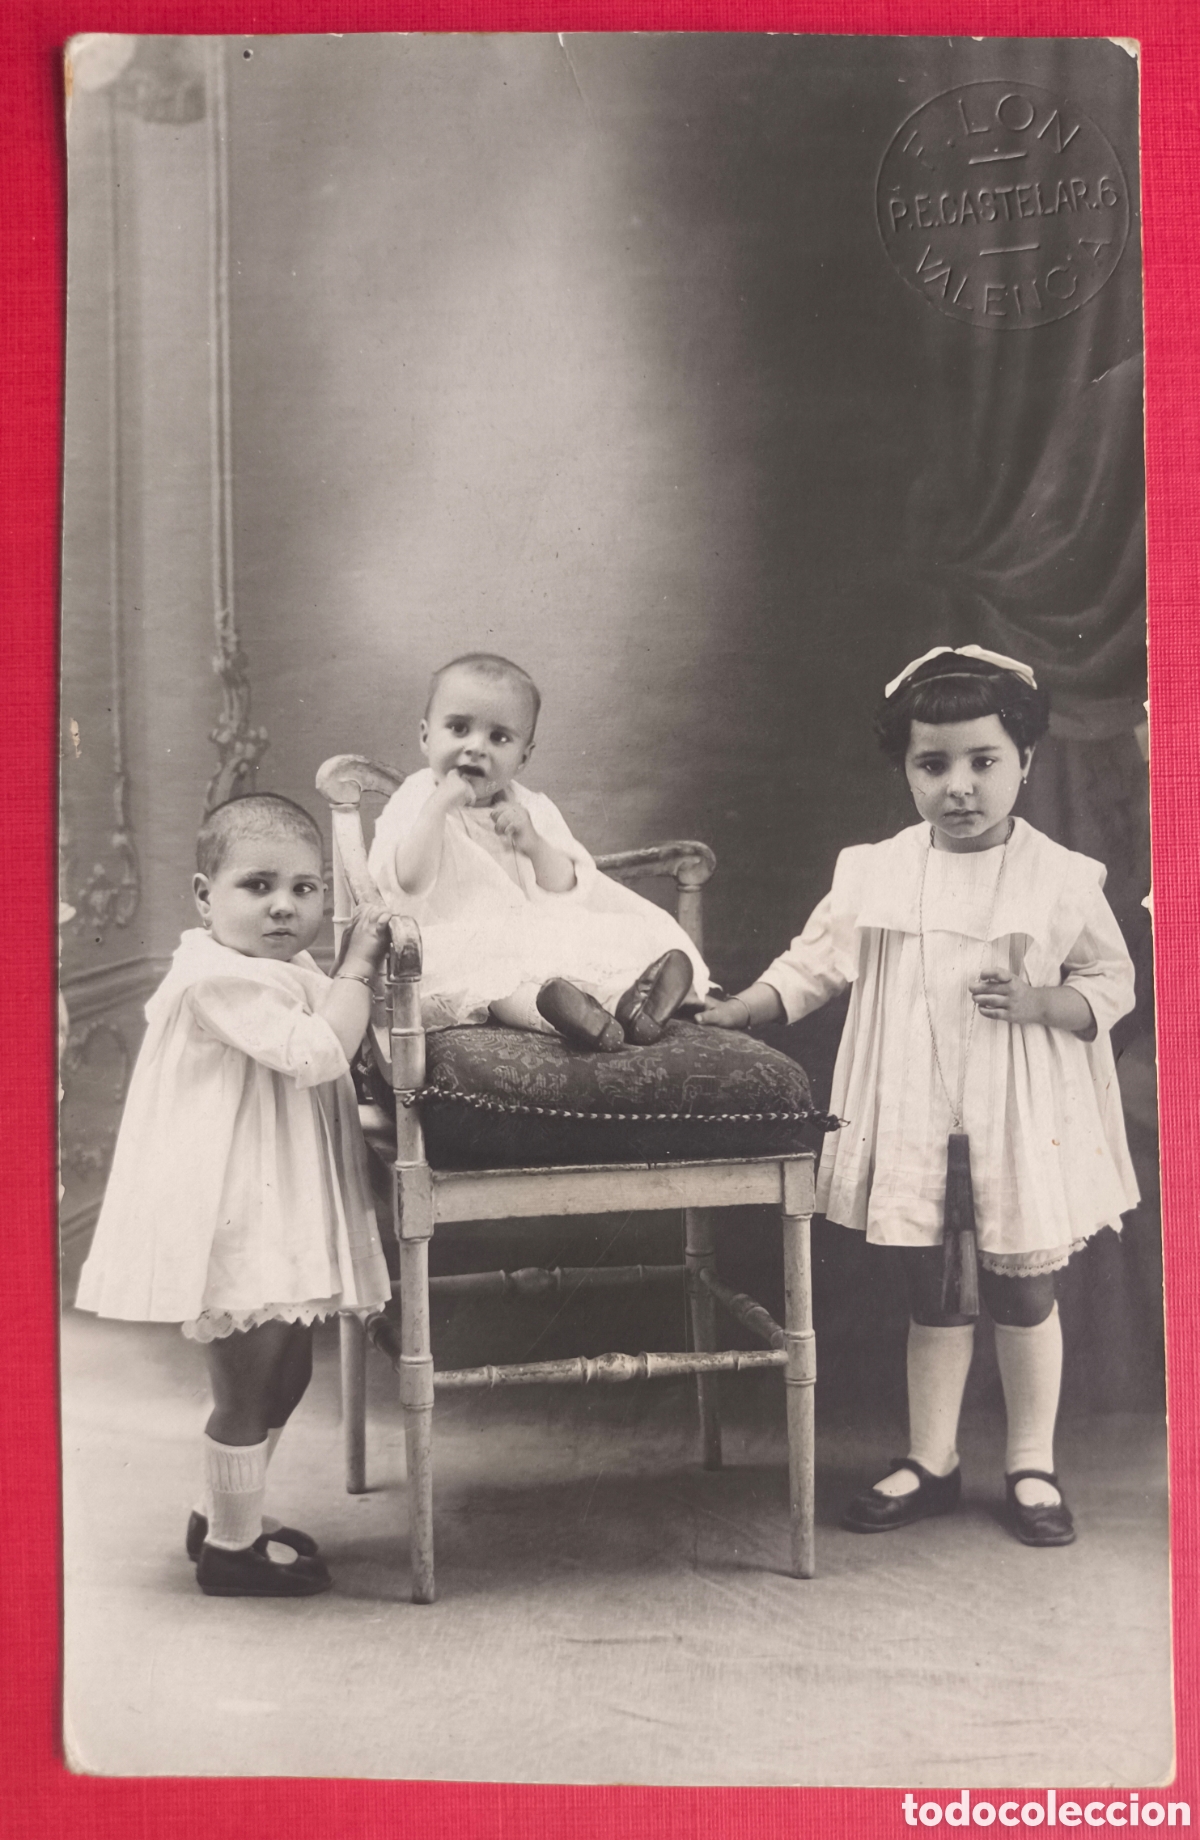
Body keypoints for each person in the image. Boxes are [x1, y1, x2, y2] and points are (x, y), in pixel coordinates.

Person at [699, 646, 1139, 1546]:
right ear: (905, 767)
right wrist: (747, 1005)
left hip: (1020, 1113)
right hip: (913, 1106)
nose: (960, 787)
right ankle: (932, 1460)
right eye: (932, 764)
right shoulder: (878, 869)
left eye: (984, 762)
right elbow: (815, 962)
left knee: (1022, 1290)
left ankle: (1031, 1464)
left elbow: (1112, 978)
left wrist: (1044, 1002)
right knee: (934, 1292)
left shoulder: (1059, 876)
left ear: (1025, 760)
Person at [76, 793, 394, 1597]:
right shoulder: (215, 976)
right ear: (203, 896)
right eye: (257, 887)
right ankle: (229, 1553)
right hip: (232, 1214)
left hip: (274, 1202)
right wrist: (357, 965)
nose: (285, 906)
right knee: (251, 1379)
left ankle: (222, 1512)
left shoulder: (283, 965)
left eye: (306, 887)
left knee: (289, 1373)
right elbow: (320, 1051)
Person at [368, 653, 710, 1050]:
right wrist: (437, 807)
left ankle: (628, 1007)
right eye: (459, 728)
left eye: (499, 738)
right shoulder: (416, 799)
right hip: (452, 942)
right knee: (502, 987)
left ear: (524, 757)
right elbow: (407, 881)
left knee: (594, 945)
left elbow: (566, 886)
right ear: (427, 736)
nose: (476, 748)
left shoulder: (531, 807)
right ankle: (565, 1018)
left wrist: (532, 843)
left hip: (528, 934)